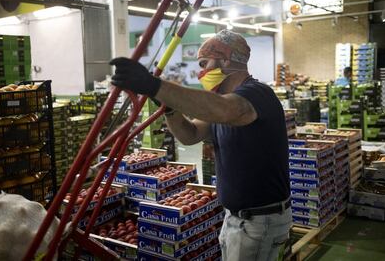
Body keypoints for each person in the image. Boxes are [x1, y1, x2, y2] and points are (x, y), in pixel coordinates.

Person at [111, 29, 291, 261]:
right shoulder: (220, 104)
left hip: (259, 222)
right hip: (235, 218)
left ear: (226, 59)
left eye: (205, 63)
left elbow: (224, 109)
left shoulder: (257, 94)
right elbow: (190, 135)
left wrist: (154, 85)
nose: (201, 71)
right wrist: (170, 109)